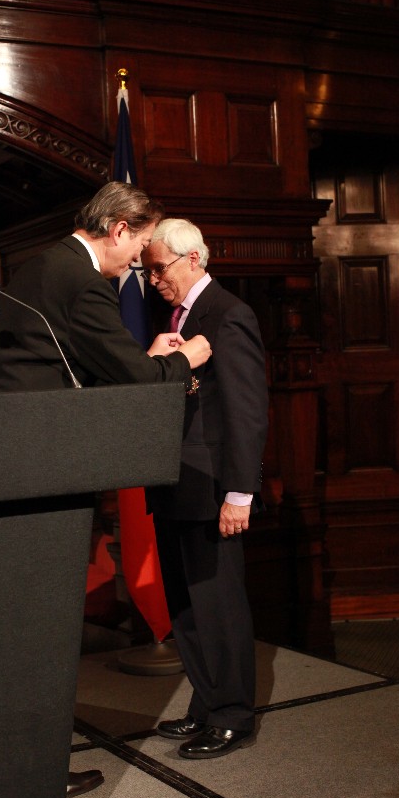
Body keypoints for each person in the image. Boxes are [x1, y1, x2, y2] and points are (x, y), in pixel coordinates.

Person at [0, 183, 211, 798]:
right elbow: (132, 377)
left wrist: (146, 357)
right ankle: (28, 773)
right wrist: (186, 360)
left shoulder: (44, 264)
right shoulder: (81, 280)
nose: (138, 261)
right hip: (30, 475)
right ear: (119, 228)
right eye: (139, 246)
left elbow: (73, 367)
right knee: (27, 631)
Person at [142, 218, 268, 759]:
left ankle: (233, 714)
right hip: (175, 483)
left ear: (193, 258)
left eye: (159, 269)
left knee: (219, 607)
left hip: (213, 488)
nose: (153, 280)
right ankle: (207, 704)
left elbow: (246, 411)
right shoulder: (173, 319)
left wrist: (239, 494)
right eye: (148, 272)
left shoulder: (229, 313)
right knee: (188, 607)